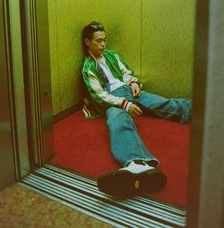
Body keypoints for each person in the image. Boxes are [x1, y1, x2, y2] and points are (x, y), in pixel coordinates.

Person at [82, 21, 192, 200]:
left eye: (105, 40)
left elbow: (126, 72)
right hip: (114, 100)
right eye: (99, 41)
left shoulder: (111, 55)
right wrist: (124, 104)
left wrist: (133, 83)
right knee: (117, 122)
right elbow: (98, 95)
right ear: (88, 42)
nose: (103, 44)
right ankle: (138, 163)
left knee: (163, 103)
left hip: (128, 89)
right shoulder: (88, 68)